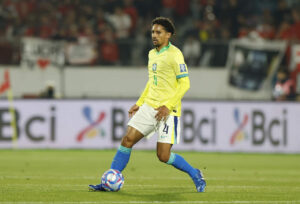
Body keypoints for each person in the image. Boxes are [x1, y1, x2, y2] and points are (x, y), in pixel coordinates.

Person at [89, 17, 206, 193]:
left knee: (163, 156)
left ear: (168, 35)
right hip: (149, 106)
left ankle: (195, 173)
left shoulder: (175, 55)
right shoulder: (152, 54)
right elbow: (151, 82)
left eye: (158, 32)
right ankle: (109, 181)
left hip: (168, 111)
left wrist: (168, 106)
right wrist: (139, 102)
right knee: (127, 140)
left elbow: (185, 84)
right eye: (152, 32)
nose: (154, 35)